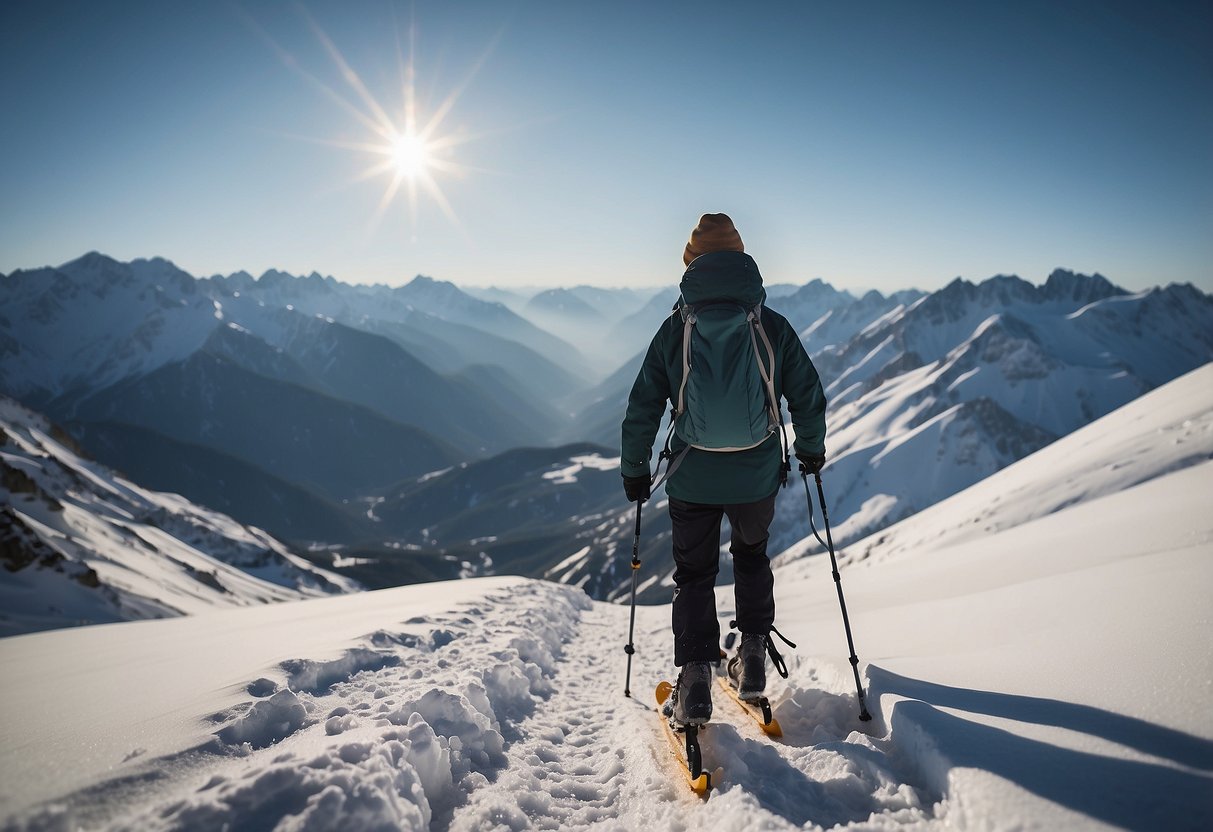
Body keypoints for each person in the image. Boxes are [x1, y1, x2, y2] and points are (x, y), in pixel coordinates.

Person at [620, 213, 827, 725]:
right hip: (756, 473)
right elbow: (806, 391)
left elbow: (644, 404)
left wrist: (635, 469)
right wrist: (811, 450)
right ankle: (752, 657)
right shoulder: (770, 325)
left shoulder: (676, 329)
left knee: (694, 575)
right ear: (741, 261)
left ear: (691, 263)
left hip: (693, 474)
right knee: (752, 557)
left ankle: (694, 680)